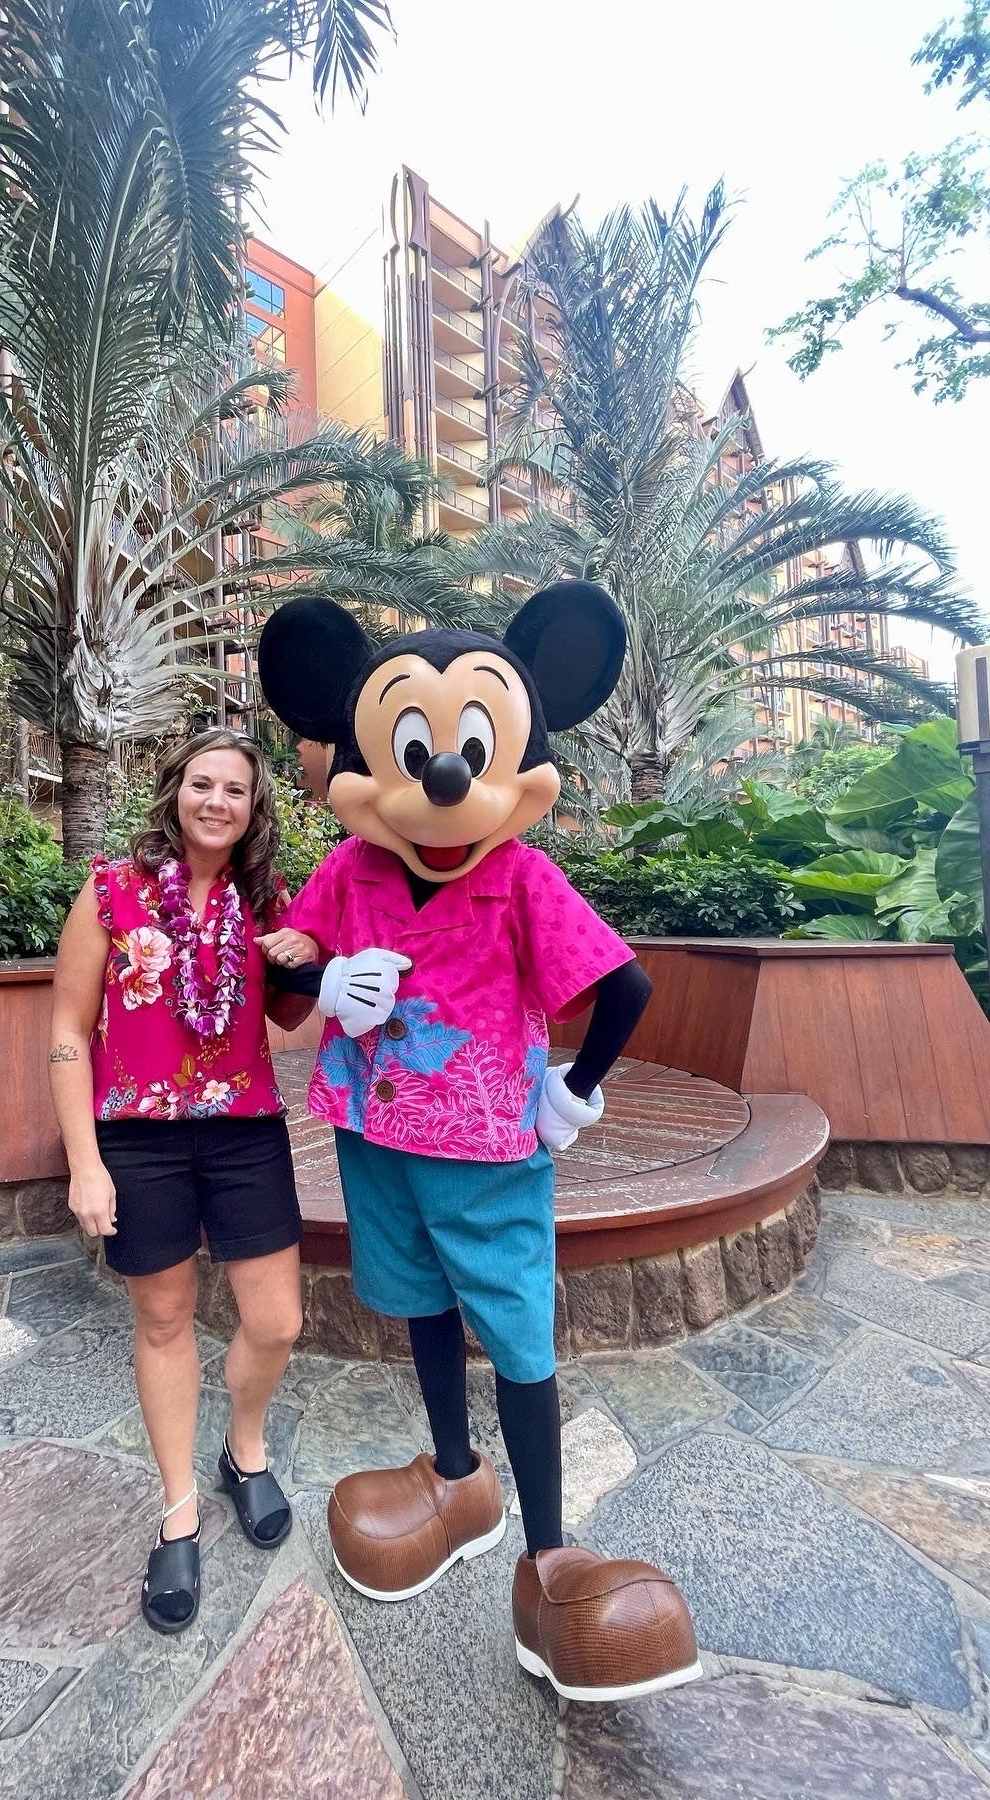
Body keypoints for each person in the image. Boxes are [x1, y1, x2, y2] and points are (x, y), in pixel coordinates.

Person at [254, 584, 702, 1706]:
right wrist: (318, 976)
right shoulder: (352, 870)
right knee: (418, 1303)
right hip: (374, 1132)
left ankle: (548, 1559)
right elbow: (288, 962)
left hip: (491, 1147)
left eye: (463, 750)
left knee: (518, 1339)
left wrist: (574, 1092)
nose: (441, 778)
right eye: (412, 749)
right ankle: (457, 1481)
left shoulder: (518, 874)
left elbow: (626, 986)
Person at [47, 728, 316, 1637]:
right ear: (175, 790)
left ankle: (244, 1450)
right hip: (138, 1138)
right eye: (203, 784)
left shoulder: (266, 899)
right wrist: (85, 1161)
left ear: (253, 807)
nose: (217, 802)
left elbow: (292, 1011)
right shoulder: (111, 892)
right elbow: (66, 1032)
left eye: (235, 790)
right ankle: (179, 1509)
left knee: (277, 1321)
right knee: (162, 1319)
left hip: (244, 1132)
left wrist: (304, 960)